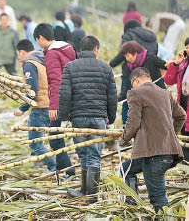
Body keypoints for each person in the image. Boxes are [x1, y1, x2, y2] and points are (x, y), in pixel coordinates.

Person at [59, 36, 117, 202]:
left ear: (80, 49)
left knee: (83, 153)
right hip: (98, 118)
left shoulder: (70, 67)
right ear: (96, 49)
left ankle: (89, 194)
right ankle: (88, 192)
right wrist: (111, 120)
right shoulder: (106, 68)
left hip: (78, 118)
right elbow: (112, 97)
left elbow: (64, 94)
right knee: (93, 155)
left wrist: (64, 118)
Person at [120, 67, 185, 213]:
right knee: (126, 169)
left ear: (136, 80)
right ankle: (132, 205)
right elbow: (182, 115)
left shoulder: (136, 93)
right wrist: (170, 136)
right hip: (160, 153)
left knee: (158, 199)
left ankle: (164, 216)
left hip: (154, 157)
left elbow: (133, 122)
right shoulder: (165, 93)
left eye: (132, 84)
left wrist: (122, 140)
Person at [33, 23, 76, 177]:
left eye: (37, 40)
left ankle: (68, 172)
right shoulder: (67, 49)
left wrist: (53, 107)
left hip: (62, 101)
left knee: (54, 138)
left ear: (42, 38)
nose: (38, 44)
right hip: (74, 97)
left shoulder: (52, 54)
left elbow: (55, 81)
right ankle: (70, 171)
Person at [14, 39, 57, 172]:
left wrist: (22, 108)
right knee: (41, 139)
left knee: (35, 144)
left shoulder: (30, 64)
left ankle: (54, 166)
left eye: (18, 54)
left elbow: (32, 90)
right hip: (49, 104)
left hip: (39, 107)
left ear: (22, 52)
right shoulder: (42, 59)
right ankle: (39, 164)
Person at [109, 19, 158, 124]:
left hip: (130, 72)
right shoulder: (151, 36)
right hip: (147, 73)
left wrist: (110, 64)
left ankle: (126, 127)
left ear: (128, 28)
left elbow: (123, 54)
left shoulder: (128, 34)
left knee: (127, 100)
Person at [163, 37, 189, 160]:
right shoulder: (183, 64)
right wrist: (175, 63)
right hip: (183, 104)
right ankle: (185, 164)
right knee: (184, 132)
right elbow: (169, 80)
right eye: (187, 47)